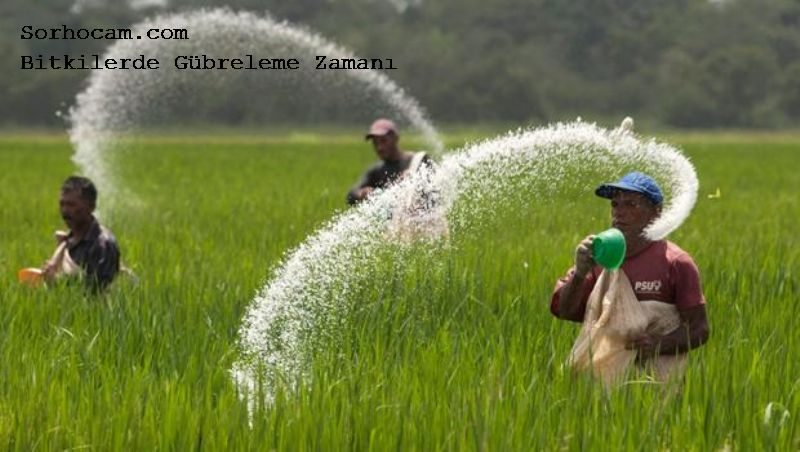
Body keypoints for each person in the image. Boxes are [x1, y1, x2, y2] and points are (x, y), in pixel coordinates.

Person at [550, 172, 709, 363]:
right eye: (615, 204)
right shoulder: (598, 257)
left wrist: (658, 344)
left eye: (631, 204)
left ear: (656, 212)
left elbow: (699, 329)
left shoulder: (676, 263)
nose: (619, 211)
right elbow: (565, 311)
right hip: (602, 380)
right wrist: (579, 273)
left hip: (657, 383)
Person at [41, 176, 121, 292]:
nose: (65, 211)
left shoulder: (103, 244)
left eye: (71, 205)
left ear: (91, 207)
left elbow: (99, 290)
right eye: (62, 204)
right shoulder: (67, 241)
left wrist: (57, 281)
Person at [346, 118, 430, 205]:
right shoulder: (377, 170)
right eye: (375, 143)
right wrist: (362, 194)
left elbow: (433, 189)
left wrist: (414, 178)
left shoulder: (416, 160)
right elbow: (351, 195)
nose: (379, 148)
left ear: (395, 138)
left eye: (383, 141)